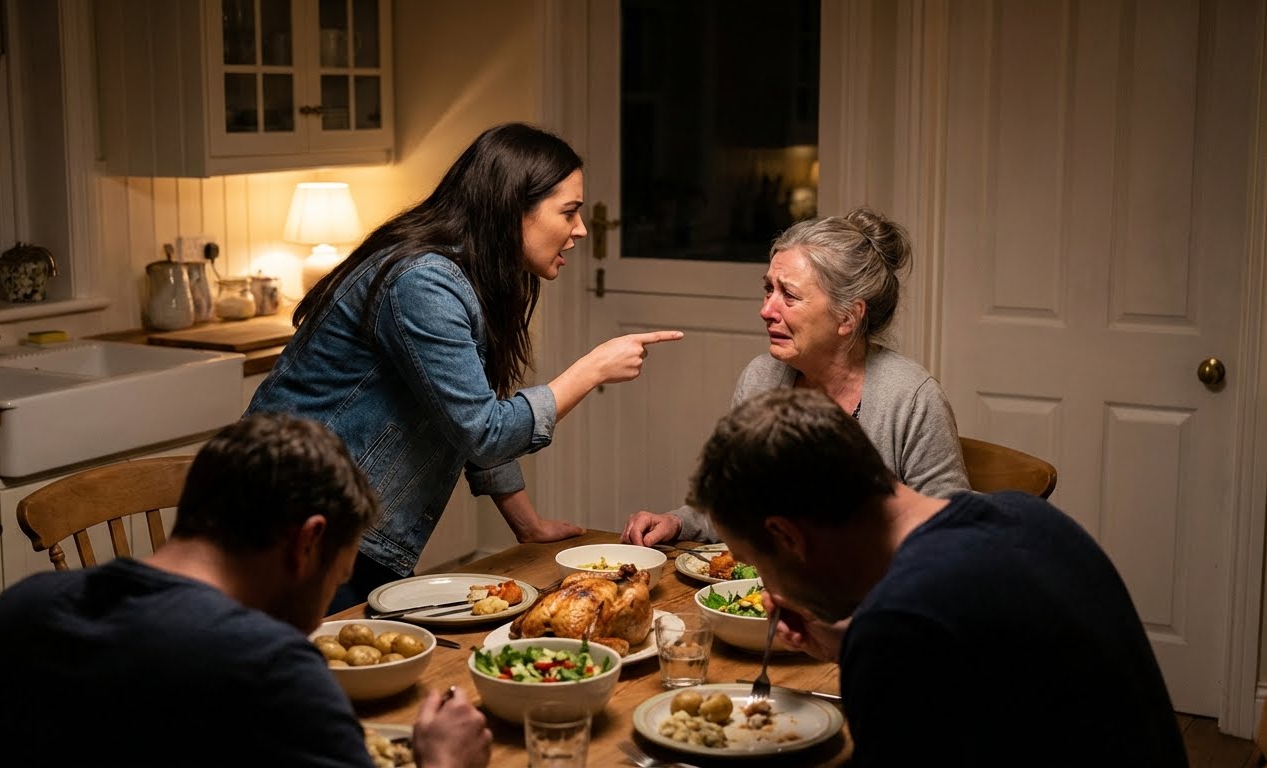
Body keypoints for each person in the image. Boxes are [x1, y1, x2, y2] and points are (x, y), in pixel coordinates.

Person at [247, 122, 682, 610]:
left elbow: (467, 411)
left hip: (338, 528)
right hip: (292, 526)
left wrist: (527, 525)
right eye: (568, 211)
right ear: (513, 209)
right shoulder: (424, 281)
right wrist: (591, 370)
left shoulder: (466, 276)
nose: (580, 228)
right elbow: (484, 430)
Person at [0, 413, 492, 768]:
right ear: (307, 542)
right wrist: (443, 760)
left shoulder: (18, 612)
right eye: (336, 578)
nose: (320, 617)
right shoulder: (271, 668)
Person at [687, 388, 1187, 767]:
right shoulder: (1026, 517)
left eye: (759, 564)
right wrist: (845, 642)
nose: (771, 590)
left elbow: (919, 634)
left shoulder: (900, 627)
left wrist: (870, 645)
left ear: (787, 536)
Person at [621, 207, 969, 546]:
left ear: (848, 317)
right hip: (773, 581)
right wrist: (679, 522)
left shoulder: (911, 398)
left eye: (788, 295)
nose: (766, 310)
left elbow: (953, 532)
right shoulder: (761, 379)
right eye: (768, 289)